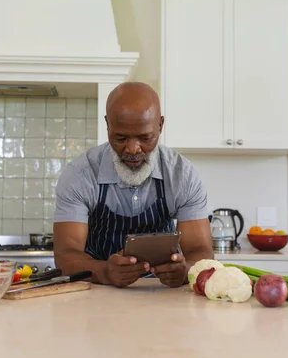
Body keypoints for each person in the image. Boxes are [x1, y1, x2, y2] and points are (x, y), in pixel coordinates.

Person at [53, 82, 213, 288]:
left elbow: (201, 250)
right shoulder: (80, 174)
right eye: (120, 138)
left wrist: (186, 270)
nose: (132, 149)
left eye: (145, 138)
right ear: (107, 124)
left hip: (163, 293)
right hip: (99, 289)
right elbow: (65, 255)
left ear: (160, 125)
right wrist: (104, 272)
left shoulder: (182, 175)